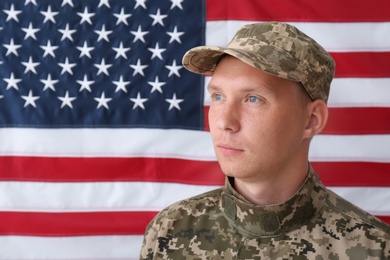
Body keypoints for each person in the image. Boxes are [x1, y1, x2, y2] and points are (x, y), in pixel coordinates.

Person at [139, 22, 390, 259]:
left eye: (253, 99)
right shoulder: (169, 232)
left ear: (312, 120)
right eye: (218, 96)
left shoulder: (373, 248)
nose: (224, 122)